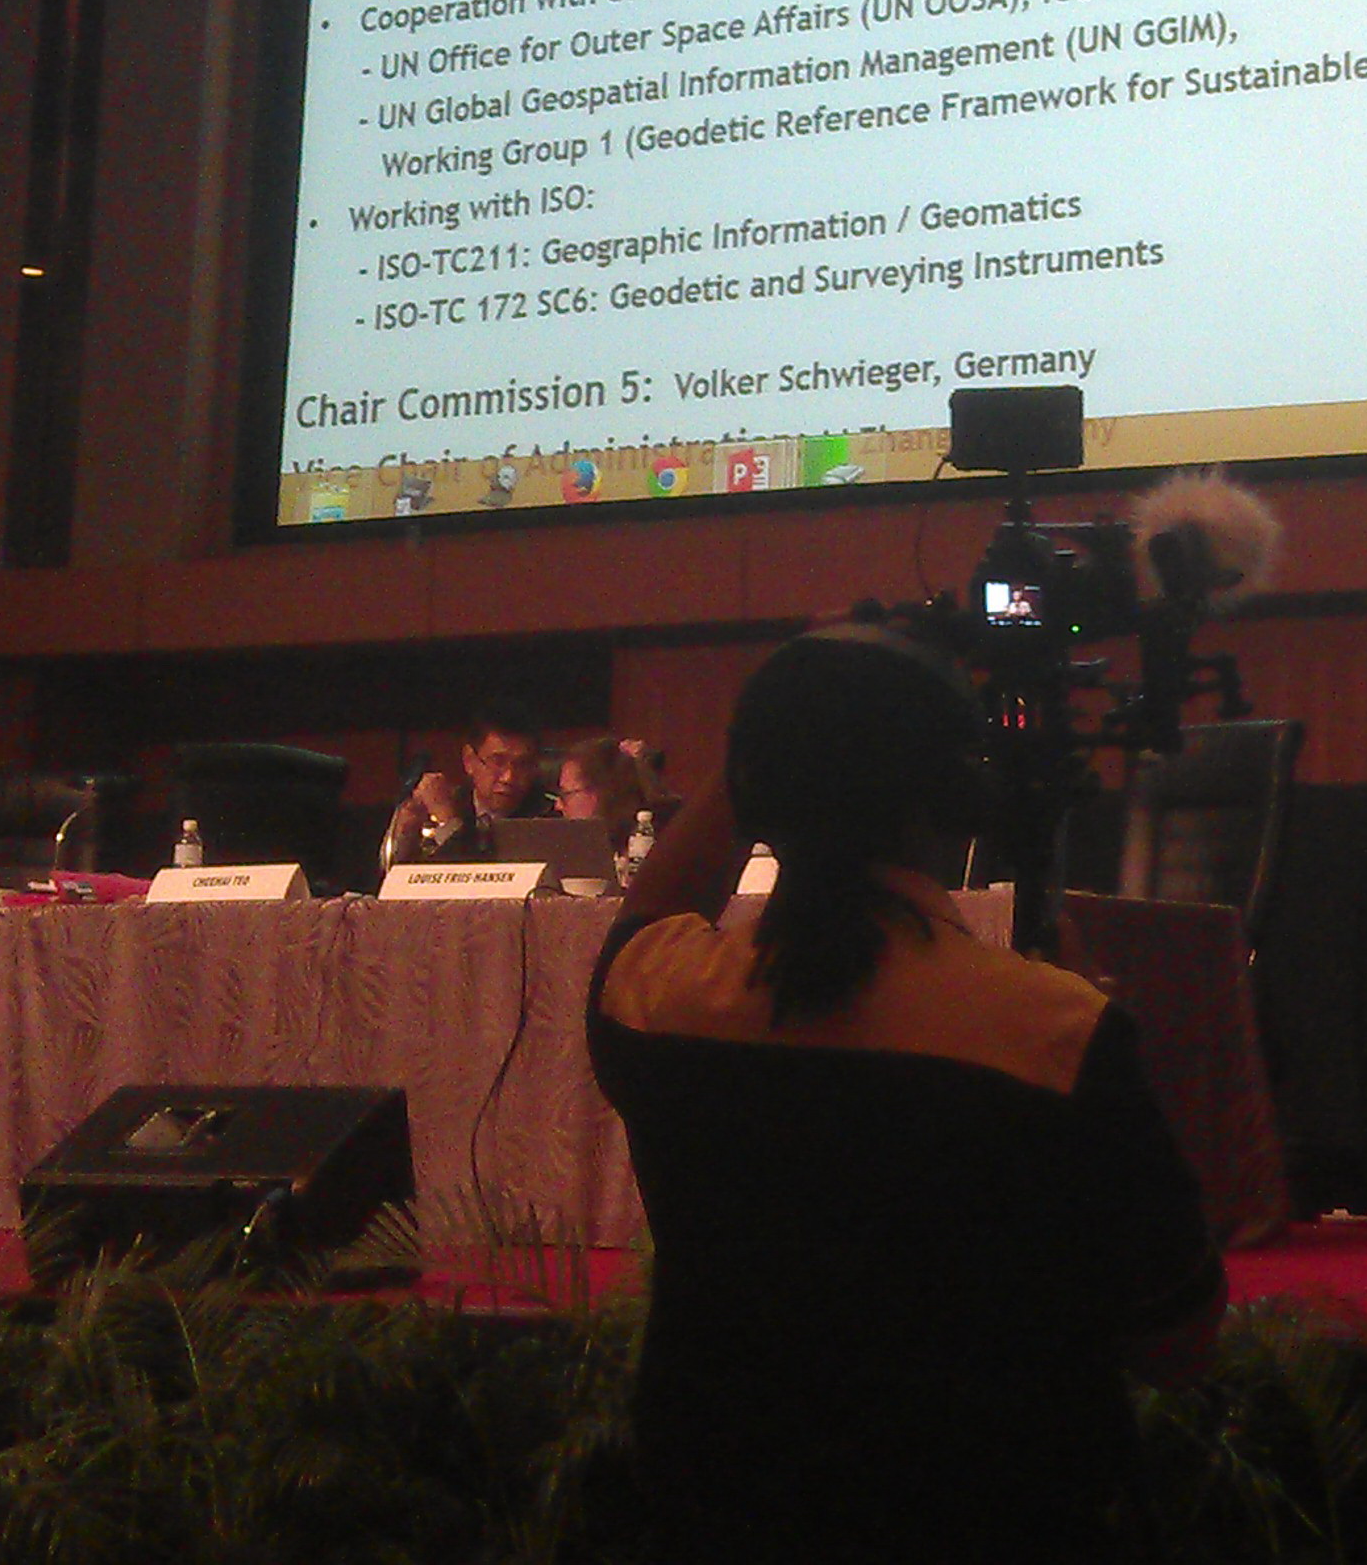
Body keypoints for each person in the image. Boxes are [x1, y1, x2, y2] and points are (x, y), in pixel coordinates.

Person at [588, 626, 1223, 1564]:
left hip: (713, 1521)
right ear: (957, 800)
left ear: (754, 795)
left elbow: (650, 909)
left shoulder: (656, 1000)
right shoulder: (1054, 1034)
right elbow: (1179, 1344)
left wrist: (784, 717)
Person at [383, 703, 555, 864]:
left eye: (522, 764)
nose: (508, 777)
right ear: (469, 760)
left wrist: (448, 823)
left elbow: (482, 877)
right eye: (497, 762)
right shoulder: (453, 801)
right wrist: (406, 833)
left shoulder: (549, 817)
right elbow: (391, 871)